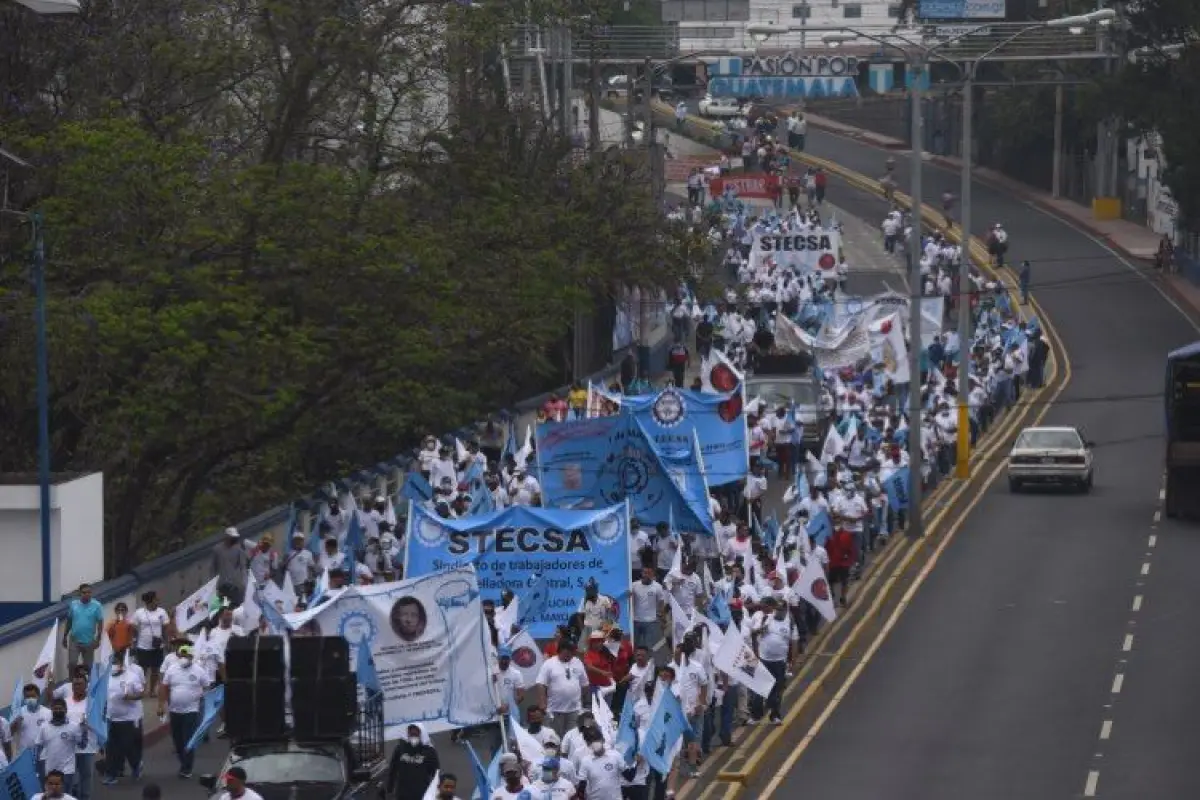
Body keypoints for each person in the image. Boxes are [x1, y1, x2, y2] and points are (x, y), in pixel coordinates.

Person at [157, 643, 210, 778]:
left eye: (187, 656)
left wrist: (200, 699)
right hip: (174, 710)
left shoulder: (199, 670)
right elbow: (164, 687)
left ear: (191, 657)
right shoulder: (172, 669)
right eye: (182, 655)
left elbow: (206, 686)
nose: (184, 658)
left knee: (188, 739)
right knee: (178, 740)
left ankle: (187, 768)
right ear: (178, 655)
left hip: (191, 711)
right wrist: (160, 705)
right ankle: (183, 762)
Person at [102, 650, 146, 785]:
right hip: (111, 718)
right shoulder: (106, 677)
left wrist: (131, 697)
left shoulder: (131, 677)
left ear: (122, 663)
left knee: (127, 746)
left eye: (116, 662)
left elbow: (141, 693)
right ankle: (111, 774)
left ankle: (136, 765)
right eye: (112, 662)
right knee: (111, 748)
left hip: (129, 718)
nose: (114, 665)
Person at [535, 639, 589, 738]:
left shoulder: (577, 662)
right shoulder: (549, 663)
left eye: (572, 651)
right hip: (555, 709)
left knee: (572, 738)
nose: (570, 654)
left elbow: (585, 684)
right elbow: (541, 683)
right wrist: (542, 702)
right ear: (560, 650)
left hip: (574, 710)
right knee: (555, 738)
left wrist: (577, 698)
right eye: (567, 651)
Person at [35, 699, 87, 795]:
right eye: (55, 709)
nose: (58, 711)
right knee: (51, 795)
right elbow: (38, 746)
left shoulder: (74, 727)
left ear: (65, 710)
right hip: (50, 769)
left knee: (65, 795)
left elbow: (82, 745)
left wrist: (84, 731)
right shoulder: (44, 727)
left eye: (60, 708)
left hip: (67, 769)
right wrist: (36, 764)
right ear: (51, 710)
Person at [386, 723, 439, 800]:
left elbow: (435, 772)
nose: (413, 737)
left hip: (421, 792)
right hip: (402, 793)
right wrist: (389, 789)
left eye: (416, 734)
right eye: (411, 734)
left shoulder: (429, 751)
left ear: (421, 734)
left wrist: (436, 791)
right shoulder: (400, 749)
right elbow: (393, 769)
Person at [131, 591, 170, 693]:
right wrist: (134, 641)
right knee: (142, 670)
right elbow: (133, 626)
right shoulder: (139, 612)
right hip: (143, 645)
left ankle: (152, 690)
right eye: (156, 599)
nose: (158, 601)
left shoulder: (162, 612)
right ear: (150, 600)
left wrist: (167, 642)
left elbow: (165, 628)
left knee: (155, 670)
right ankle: (141, 689)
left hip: (157, 646)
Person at [63, 583, 103, 671]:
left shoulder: (97, 606)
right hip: (74, 640)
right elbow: (69, 621)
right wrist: (65, 636)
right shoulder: (73, 604)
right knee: (72, 663)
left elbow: (100, 623)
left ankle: (88, 683)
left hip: (89, 641)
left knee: (88, 666)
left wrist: (98, 639)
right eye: (84, 592)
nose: (87, 594)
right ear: (79, 593)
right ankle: (72, 682)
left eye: (89, 592)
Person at [212, 528, 249, 606]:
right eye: (232, 537)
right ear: (227, 537)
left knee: (236, 607)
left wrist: (244, 583)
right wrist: (212, 584)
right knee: (225, 607)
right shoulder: (217, 549)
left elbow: (243, 566)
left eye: (235, 538)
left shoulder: (239, 549)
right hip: (222, 585)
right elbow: (213, 567)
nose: (234, 539)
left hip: (235, 585)